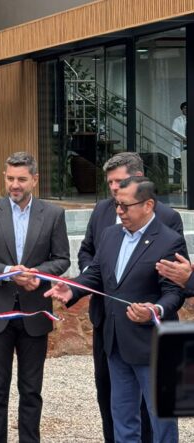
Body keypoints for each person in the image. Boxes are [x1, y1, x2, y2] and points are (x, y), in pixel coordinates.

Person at [46, 176, 186, 443]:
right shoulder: (110, 235)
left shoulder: (169, 241)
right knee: (122, 416)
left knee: (161, 421)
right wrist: (72, 289)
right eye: (116, 205)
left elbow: (174, 292)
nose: (119, 211)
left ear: (148, 205)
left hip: (152, 345)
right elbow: (96, 273)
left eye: (125, 206)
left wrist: (155, 310)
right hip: (115, 342)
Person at [0, 152, 70, 443]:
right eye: (10, 178)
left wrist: (38, 273)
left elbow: (62, 259)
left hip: (34, 312)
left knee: (31, 389)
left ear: (34, 180)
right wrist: (8, 272)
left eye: (21, 179)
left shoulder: (53, 214)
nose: (15, 184)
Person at [172, 102, 188, 188]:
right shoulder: (177, 120)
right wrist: (184, 139)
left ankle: (187, 186)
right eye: (184, 108)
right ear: (182, 109)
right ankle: (176, 187)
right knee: (178, 167)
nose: (186, 109)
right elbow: (174, 133)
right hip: (179, 146)